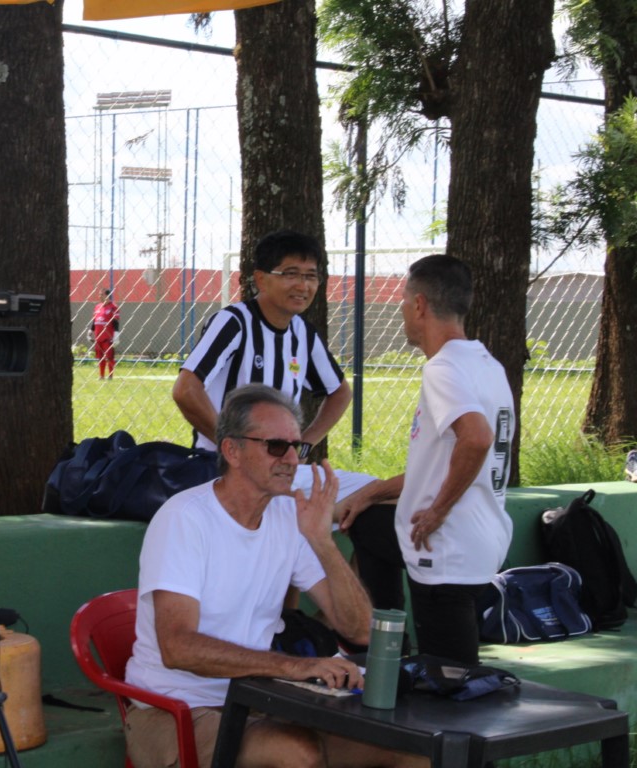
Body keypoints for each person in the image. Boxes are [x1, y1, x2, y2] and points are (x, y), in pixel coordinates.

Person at [123, 384, 426, 768]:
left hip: (257, 699)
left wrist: (322, 542)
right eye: (276, 446)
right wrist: (295, 667)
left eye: (297, 447)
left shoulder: (286, 516)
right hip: (173, 709)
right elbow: (178, 648)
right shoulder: (185, 519)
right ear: (232, 451)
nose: (292, 459)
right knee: (296, 753)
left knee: (412, 752)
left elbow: (360, 630)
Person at [336, 254, 515, 665]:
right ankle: (383, 646)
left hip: (445, 548)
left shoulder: (443, 369)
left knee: (451, 682)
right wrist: (369, 494)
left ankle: (395, 657)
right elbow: (442, 462)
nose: (401, 310)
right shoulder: (487, 364)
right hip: (480, 540)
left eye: (403, 300)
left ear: (419, 305)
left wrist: (438, 510)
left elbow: (477, 439)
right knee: (369, 525)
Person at [173, 229, 351, 454]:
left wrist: (304, 446)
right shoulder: (234, 323)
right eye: (291, 274)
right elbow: (185, 390)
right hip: (219, 465)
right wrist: (234, 449)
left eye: (310, 276)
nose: (302, 286)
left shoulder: (303, 334)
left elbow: (340, 393)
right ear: (261, 280)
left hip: (277, 467)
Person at [89, 287, 121, 379]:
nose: (99, 296)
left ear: (107, 295)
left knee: (109, 356)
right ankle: (101, 376)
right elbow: (95, 320)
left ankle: (110, 376)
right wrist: (90, 331)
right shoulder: (97, 307)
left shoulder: (113, 307)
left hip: (108, 337)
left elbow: (115, 322)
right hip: (98, 336)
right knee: (100, 357)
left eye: (101, 294)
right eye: (99, 294)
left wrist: (116, 335)